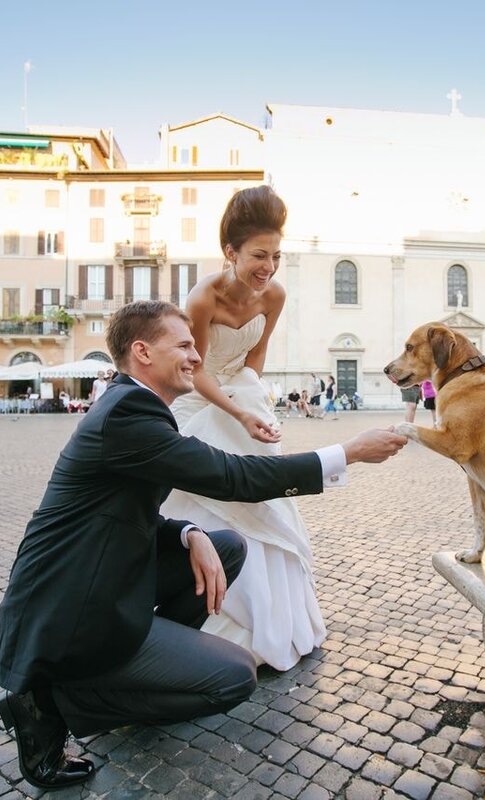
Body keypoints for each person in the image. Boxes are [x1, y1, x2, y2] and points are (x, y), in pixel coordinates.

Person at [0, 300, 406, 790]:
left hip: (99, 579)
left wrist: (190, 534)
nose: (195, 356)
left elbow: (125, 511)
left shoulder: (133, 405)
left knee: (225, 545)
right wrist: (347, 453)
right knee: (233, 677)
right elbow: (233, 475)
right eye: (184, 346)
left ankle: (129, 664)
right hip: (74, 610)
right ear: (142, 352)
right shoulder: (128, 413)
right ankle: (54, 701)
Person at [160, 185, 329, 670]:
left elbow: (256, 353)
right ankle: (215, 618)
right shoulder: (201, 297)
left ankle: (277, 621)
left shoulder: (274, 294)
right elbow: (193, 368)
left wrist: (251, 396)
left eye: (276, 255)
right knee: (215, 500)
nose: (269, 267)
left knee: (266, 501)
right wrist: (235, 412)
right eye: (259, 255)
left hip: (244, 395)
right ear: (230, 253)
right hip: (199, 401)